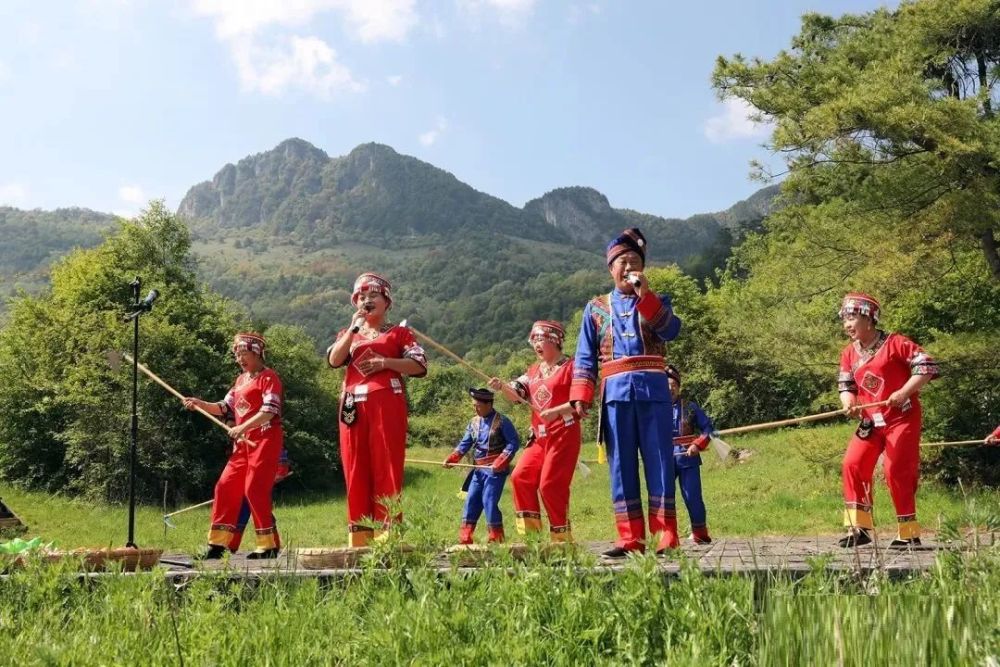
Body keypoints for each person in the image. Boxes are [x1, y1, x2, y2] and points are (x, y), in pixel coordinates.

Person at [569, 227, 683, 557]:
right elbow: (585, 356)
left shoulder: (657, 301)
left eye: (635, 261)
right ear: (610, 268)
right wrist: (581, 395)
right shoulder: (595, 308)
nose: (629, 267)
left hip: (654, 392)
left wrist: (646, 296)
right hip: (615, 395)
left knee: (660, 460)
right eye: (622, 261)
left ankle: (666, 533)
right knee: (621, 466)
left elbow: (671, 330)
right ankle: (630, 536)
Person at [327, 273, 428, 547]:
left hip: (386, 401)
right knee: (354, 465)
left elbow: (420, 365)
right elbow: (335, 360)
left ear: (386, 302)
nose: (366, 300)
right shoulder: (349, 333)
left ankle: (388, 534)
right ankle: (359, 537)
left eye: (373, 296)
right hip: (351, 404)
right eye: (361, 297)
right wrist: (353, 329)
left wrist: (386, 363)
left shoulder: (398, 333)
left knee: (386, 464)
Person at [837, 292, 939, 548]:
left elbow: (926, 367)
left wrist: (903, 391)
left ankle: (908, 532)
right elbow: (846, 384)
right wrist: (848, 403)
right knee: (853, 463)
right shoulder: (849, 353)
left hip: (901, 417)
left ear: (869, 319)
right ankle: (857, 528)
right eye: (845, 319)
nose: (847, 325)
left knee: (895, 470)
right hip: (871, 420)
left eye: (852, 318)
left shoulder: (896, 343)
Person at [184, 332, 284, 559]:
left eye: (244, 353)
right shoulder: (240, 381)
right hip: (242, 445)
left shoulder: (269, 378)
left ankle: (268, 545)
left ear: (257, 353)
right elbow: (223, 407)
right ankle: (218, 544)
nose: (240, 359)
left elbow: (269, 411)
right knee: (225, 486)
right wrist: (199, 403)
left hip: (264, 440)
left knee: (254, 489)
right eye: (237, 355)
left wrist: (242, 428)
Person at [489, 320, 581, 543]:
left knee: (550, 486)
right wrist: (502, 387)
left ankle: (562, 541)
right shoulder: (532, 372)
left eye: (541, 340)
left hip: (563, 435)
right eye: (534, 341)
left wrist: (557, 411)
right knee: (521, 478)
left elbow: (581, 401)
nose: (536, 345)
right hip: (539, 438)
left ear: (555, 341)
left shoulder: (573, 367)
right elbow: (517, 395)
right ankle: (533, 540)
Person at [444, 388, 520, 544]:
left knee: (489, 501)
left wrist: (500, 461)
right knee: (471, 500)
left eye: (478, 405)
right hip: (478, 471)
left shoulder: (502, 421)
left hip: (495, 471)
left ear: (489, 404)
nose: (475, 409)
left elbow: (513, 443)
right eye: (474, 406)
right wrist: (453, 458)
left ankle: (496, 539)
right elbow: (465, 443)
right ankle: (465, 539)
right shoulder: (473, 423)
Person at [666, 365, 714, 545]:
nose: (670, 389)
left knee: (693, 496)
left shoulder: (691, 407)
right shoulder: (654, 409)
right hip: (664, 460)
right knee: (664, 499)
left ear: (679, 387)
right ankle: (668, 538)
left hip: (688, 459)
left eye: (673, 385)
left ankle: (700, 534)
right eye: (666, 385)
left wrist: (697, 444)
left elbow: (709, 429)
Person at [231, 448, 291, 552]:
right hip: (246, 484)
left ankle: (273, 545)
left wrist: (277, 475)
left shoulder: (267, 440)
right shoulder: (242, 444)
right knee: (240, 513)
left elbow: (281, 465)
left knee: (262, 513)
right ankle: (231, 545)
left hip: (260, 485)